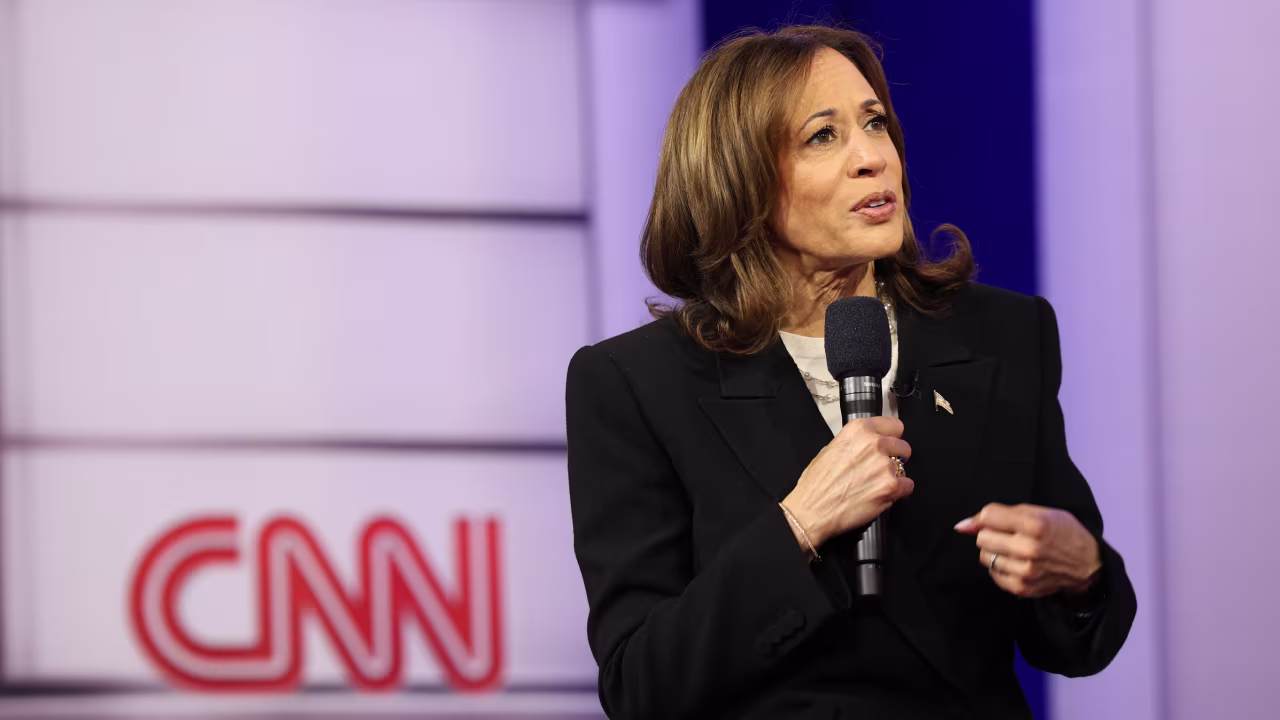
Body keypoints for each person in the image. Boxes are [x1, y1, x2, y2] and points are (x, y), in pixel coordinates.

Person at [565, 24, 1135, 720]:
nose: (872, 158)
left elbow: (1073, 641)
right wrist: (799, 525)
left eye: (875, 123)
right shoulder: (636, 384)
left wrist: (1083, 573)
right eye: (822, 137)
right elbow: (641, 686)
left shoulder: (1004, 336)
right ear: (737, 181)